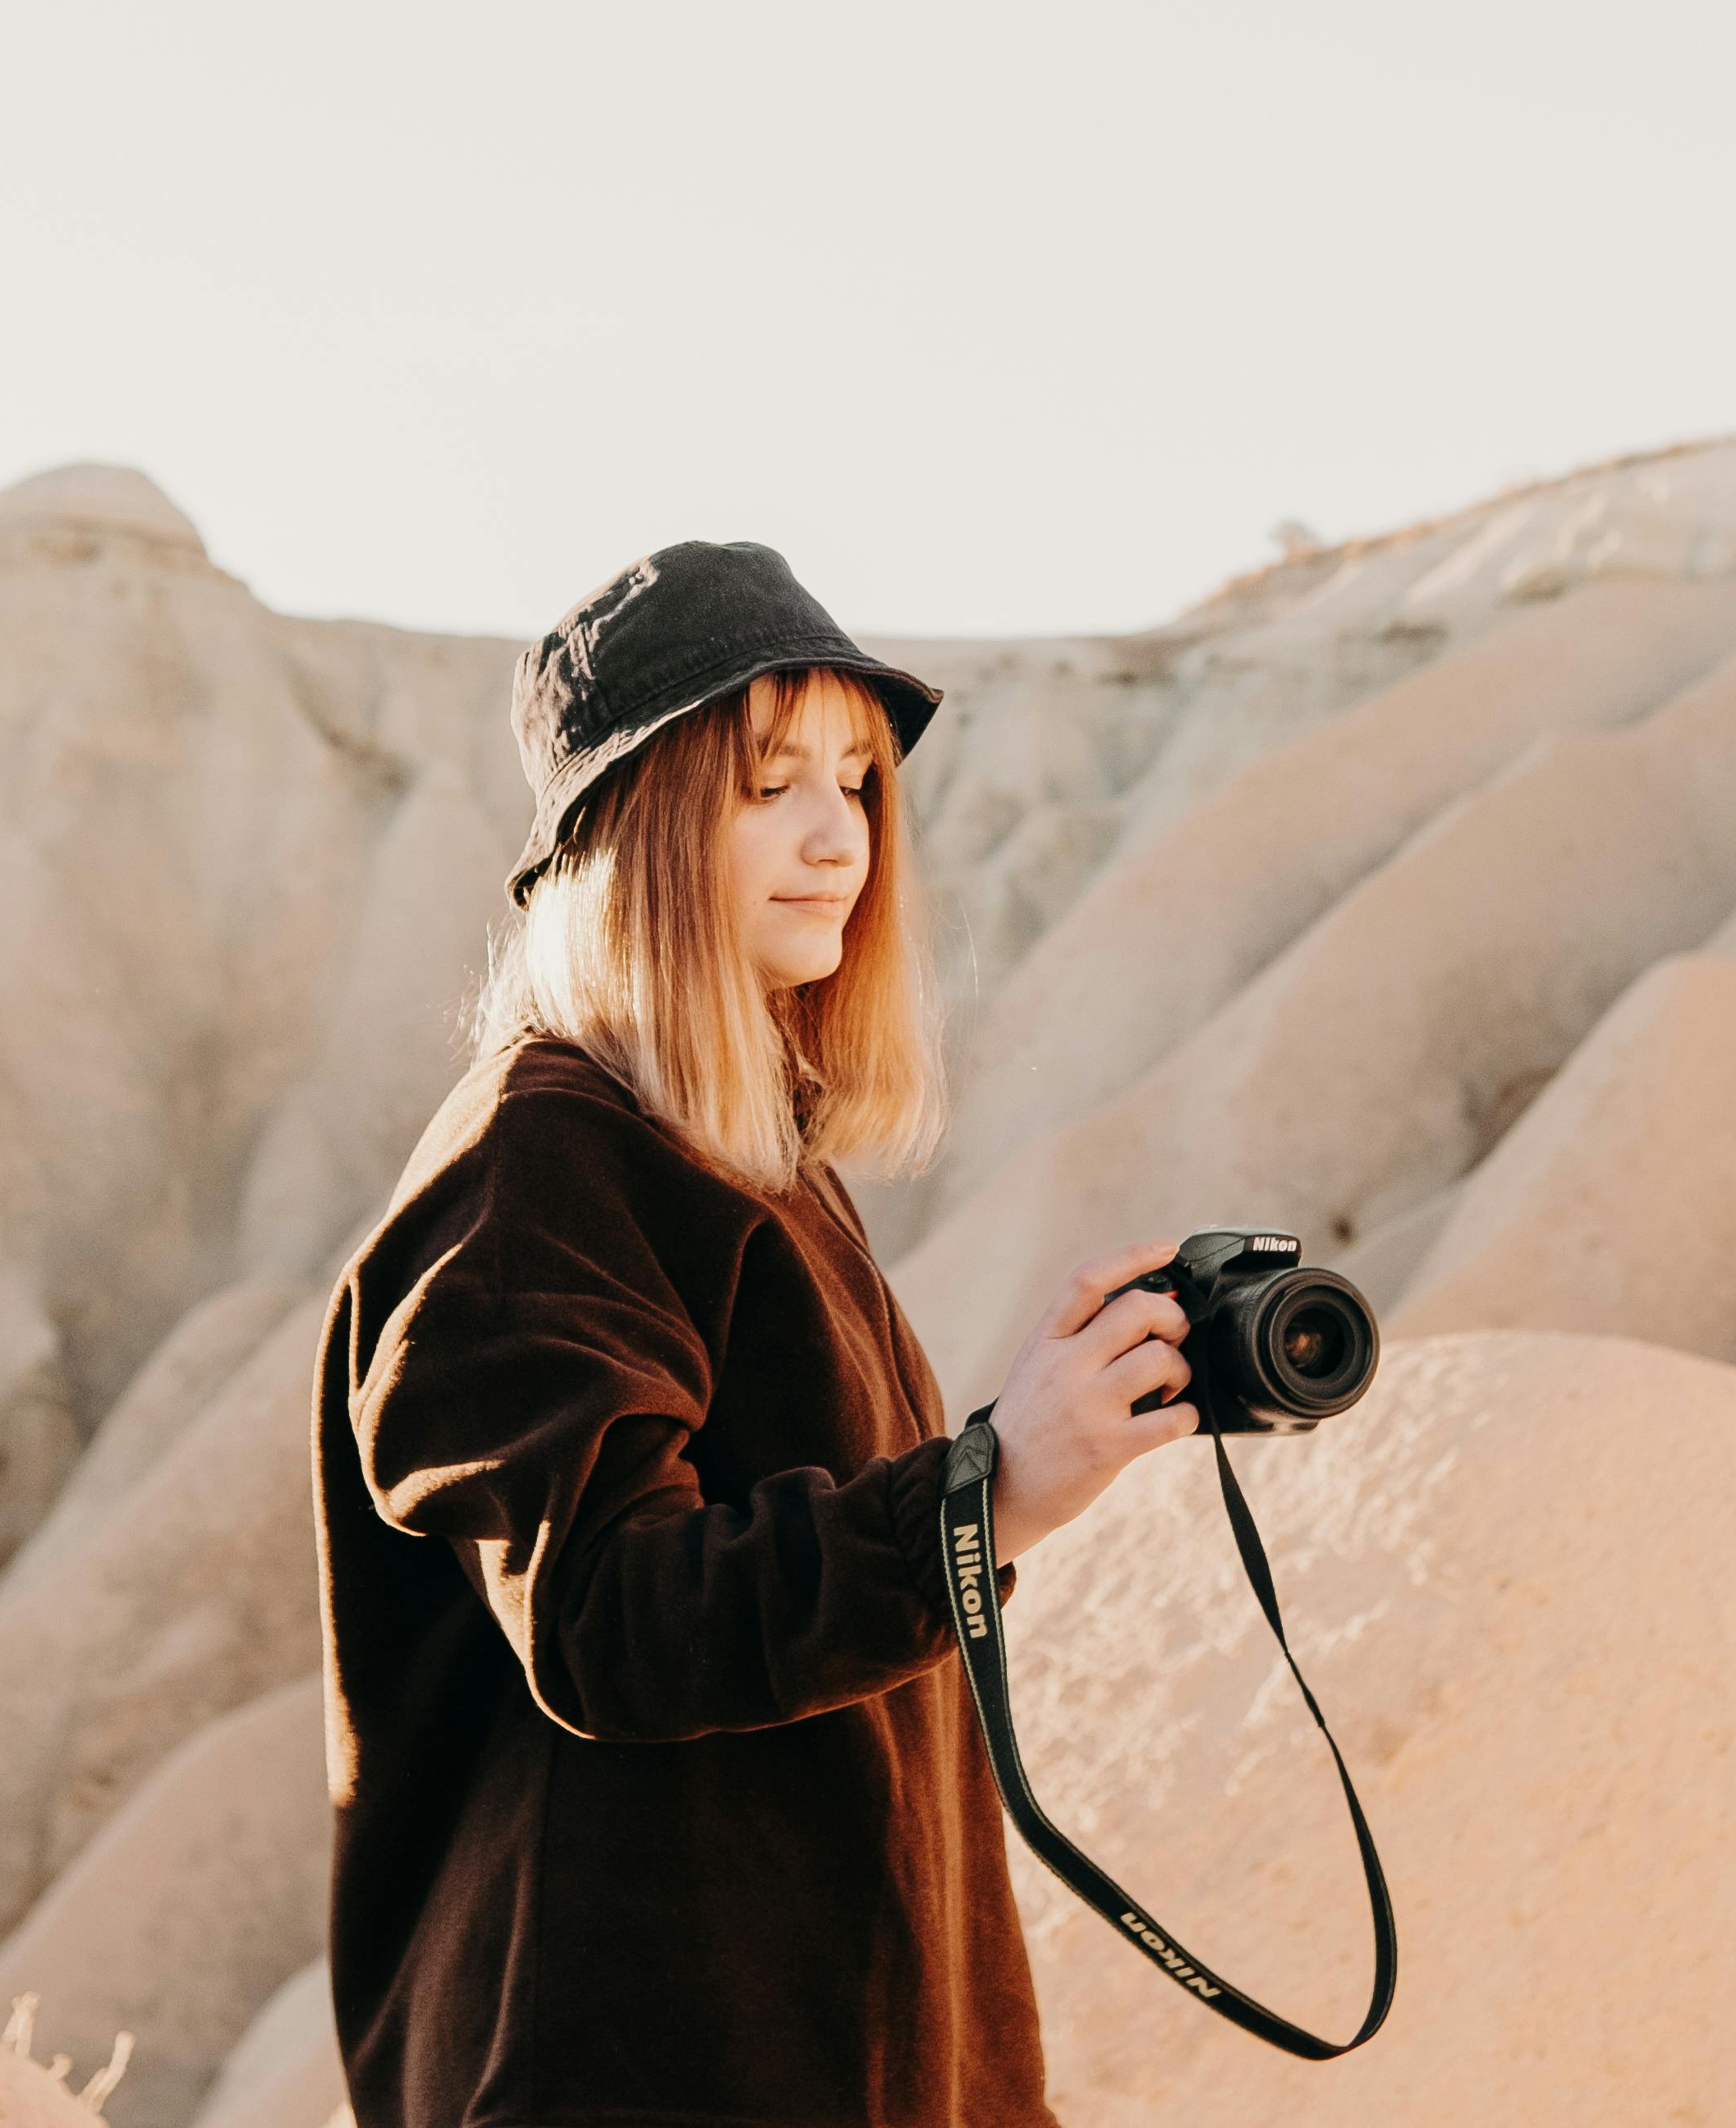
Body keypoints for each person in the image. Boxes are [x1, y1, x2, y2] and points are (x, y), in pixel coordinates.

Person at [314, 538, 1199, 2128]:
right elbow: (610, 1616)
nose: (834, 838)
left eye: (855, 784)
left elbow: (853, 1735)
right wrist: (981, 1493)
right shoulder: (536, 1160)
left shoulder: (758, 1168)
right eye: (765, 782)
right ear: (638, 823)